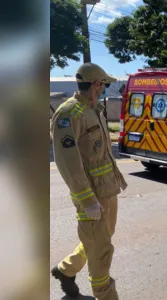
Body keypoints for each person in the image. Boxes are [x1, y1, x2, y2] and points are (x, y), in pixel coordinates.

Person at [50, 63, 127, 300]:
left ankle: (66, 270)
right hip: (91, 197)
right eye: (104, 85)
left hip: (107, 191)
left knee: (99, 239)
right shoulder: (68, 114)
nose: (104, 89)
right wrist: (88, 200)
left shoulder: (94, 110)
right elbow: (68, 162)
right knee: (101, 251)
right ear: (95, 84)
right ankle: (106, 295)